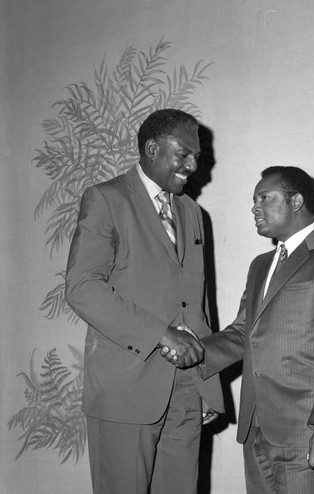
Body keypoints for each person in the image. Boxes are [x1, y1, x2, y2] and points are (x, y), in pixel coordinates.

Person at [168, 165, 314, 493]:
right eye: (253, 200)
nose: (254, 207)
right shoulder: (260, 265)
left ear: (296, 201)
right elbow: (244, 332)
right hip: (256, 429)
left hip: (307, 431)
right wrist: (195, 349)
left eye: (265, 197)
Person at [65, 108, 224, 494]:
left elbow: (195, 302)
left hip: (186, 390)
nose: (192, 166)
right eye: (182, 154)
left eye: (197, 158)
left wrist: (205, 383)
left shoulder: (193, 212)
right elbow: (82, 287)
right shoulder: (106, 199)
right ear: (152, 148)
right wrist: (162, 335)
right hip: (125, 390)